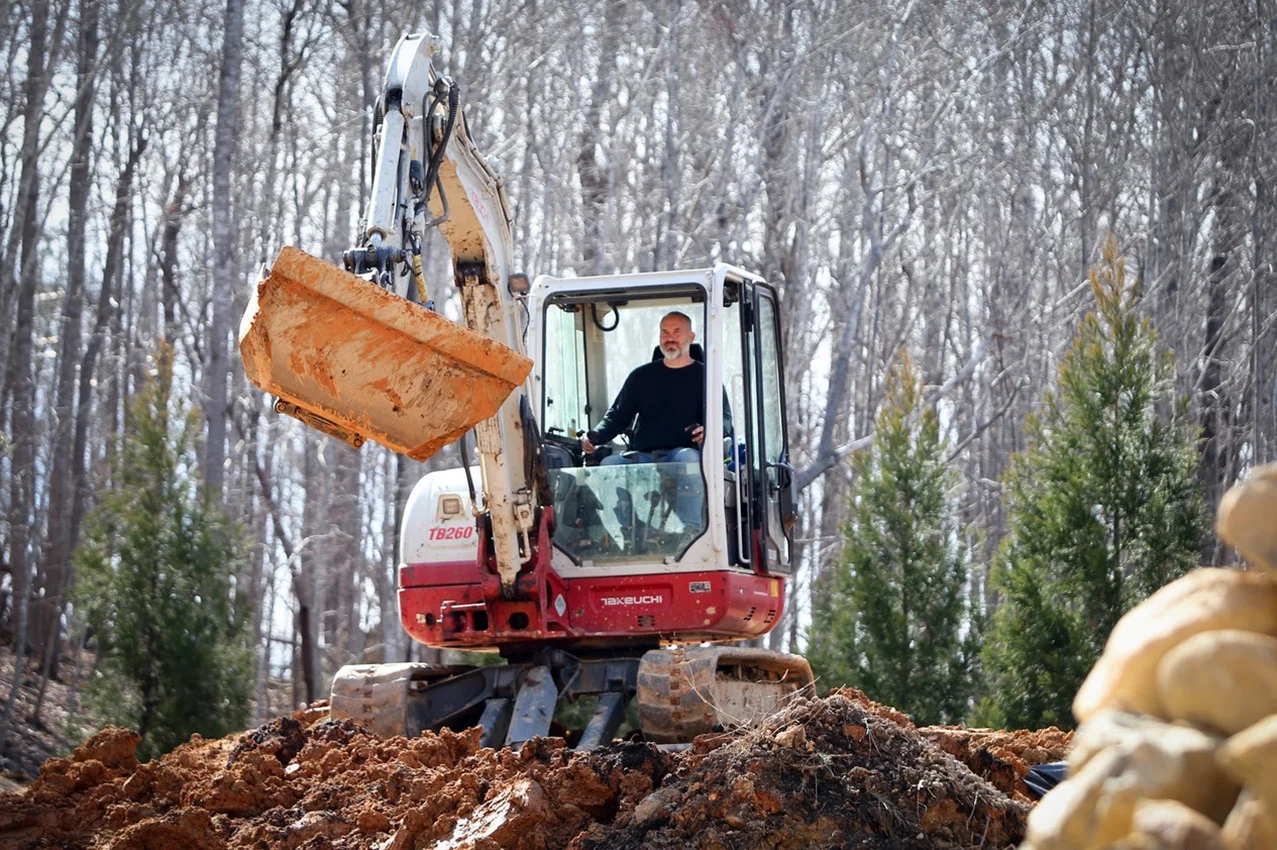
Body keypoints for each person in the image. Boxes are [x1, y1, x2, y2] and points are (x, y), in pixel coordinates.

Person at [580, 311, 729, 535]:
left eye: (677, 332)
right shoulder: (641, 377)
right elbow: (617, 416)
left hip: (681, 453)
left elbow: (725, 419)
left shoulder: (706, 377)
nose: (670, 338)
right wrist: (595, 436)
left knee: (688, 460)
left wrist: (710, 430)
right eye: (665, 332)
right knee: (610, 465)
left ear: (691, 336)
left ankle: (691, 532)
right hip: (643, 456)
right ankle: (622, 533)